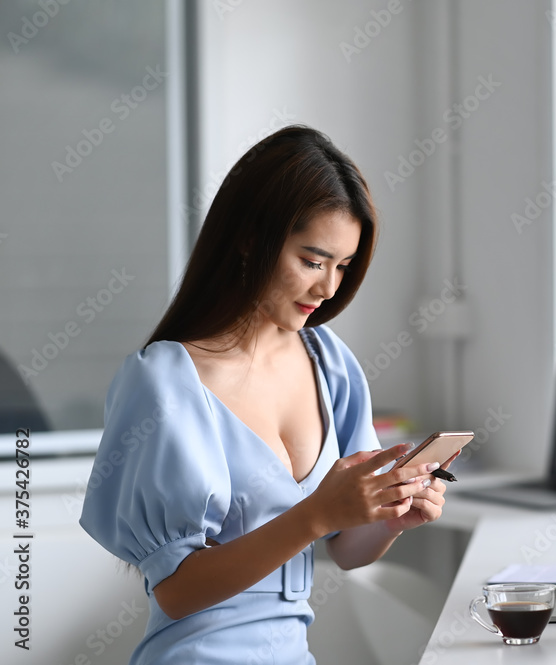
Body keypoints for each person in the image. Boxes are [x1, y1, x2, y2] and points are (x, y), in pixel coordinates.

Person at [79, 125, 454, 664]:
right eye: (313, 260)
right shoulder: (166, 380)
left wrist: (391, 517)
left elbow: (347, 551)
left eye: (342, 267)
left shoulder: (331, 364)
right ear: (251, 237)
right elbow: (177, 591)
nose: (328, 289)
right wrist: (317, 514)